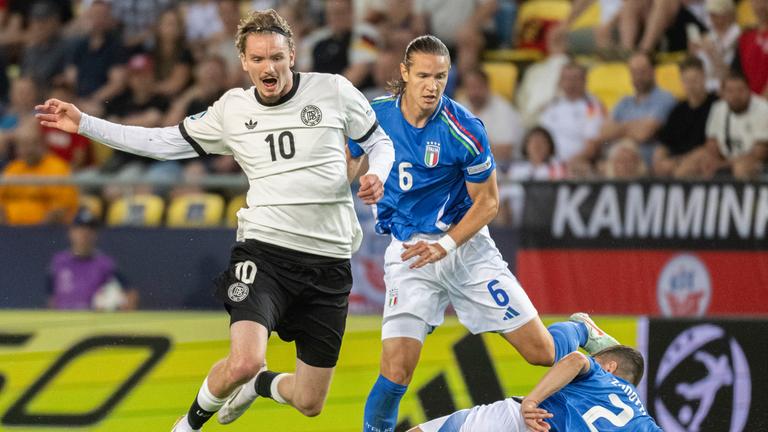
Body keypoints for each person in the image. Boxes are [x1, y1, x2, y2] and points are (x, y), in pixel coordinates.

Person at [35, 9, 395, 432]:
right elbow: (161, 142)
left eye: (277, 57)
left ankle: (256, 386)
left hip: (329, 261)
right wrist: (86, 124)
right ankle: (186, 426)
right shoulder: (231, 110)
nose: (269, 67)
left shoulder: (332, 90)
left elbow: (379, 141)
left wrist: (377, 174)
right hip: (266, 252)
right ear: (243, 62)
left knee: (309, 401)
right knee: (244, 359)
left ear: (293, 55)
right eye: (258, 59)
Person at [348, 35, 617, 432]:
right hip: (408, 254)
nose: (432, 86)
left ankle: (580, 327)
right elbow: (352, 156)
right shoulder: (375, 115)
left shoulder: (463, 129)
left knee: (540, 352)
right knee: (395, 371)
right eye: (423, 75)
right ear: (404, 74)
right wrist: (362, 179)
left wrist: (445, 244)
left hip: (466, 251)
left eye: (440, 76)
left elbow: (489, 203)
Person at [411, 319, 662, 432]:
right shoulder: (644, 421)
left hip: (523, 420)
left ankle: (583, 330)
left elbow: (574, 359)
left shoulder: (601, 375)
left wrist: (531, 401)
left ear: (610, 367)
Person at [48, 207, 138, 311]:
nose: (85, 233)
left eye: (90, 229)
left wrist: (120, 306)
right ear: (71, 232)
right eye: (80, 228)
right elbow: (51, 297)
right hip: (64, 319)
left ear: (96, 234)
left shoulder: (105, 264)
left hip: (93, 321)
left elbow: (130, 293)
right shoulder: (58, 262)